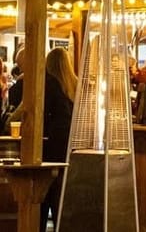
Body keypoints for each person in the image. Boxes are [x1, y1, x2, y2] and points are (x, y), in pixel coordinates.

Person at [40, 47, 77, 232]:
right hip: (69, 151)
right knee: (60, 197)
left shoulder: (49, 85)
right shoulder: (76, 85)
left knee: (44, 195)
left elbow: (37, 114)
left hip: (49, 149)